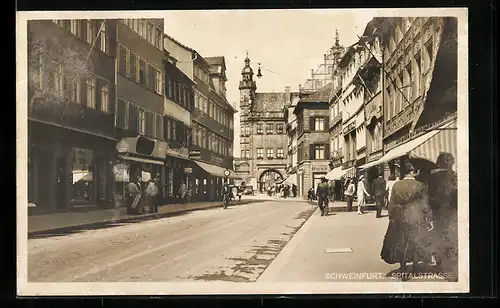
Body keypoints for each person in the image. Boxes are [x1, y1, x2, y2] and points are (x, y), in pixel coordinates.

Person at [380, 161, 434, 281]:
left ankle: (403, 268)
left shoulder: (396, 185)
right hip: (416, 217)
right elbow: (425, 205)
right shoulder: (421, 186)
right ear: (414, 171)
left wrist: (391, 217)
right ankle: (415, 267)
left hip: (400, 217)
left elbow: (391, 204)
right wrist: (429, 219)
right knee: (415, 242)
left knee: (401, 242)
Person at [427, 152, 458, 280]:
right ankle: (451, 265)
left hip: (437, 212)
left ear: (439, 163)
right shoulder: (455, 177)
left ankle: (441, 264)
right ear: (450, 163)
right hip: (453, 212)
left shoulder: (432, 177)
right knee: (452, 238)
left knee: (439, 237)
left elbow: (428, 197)